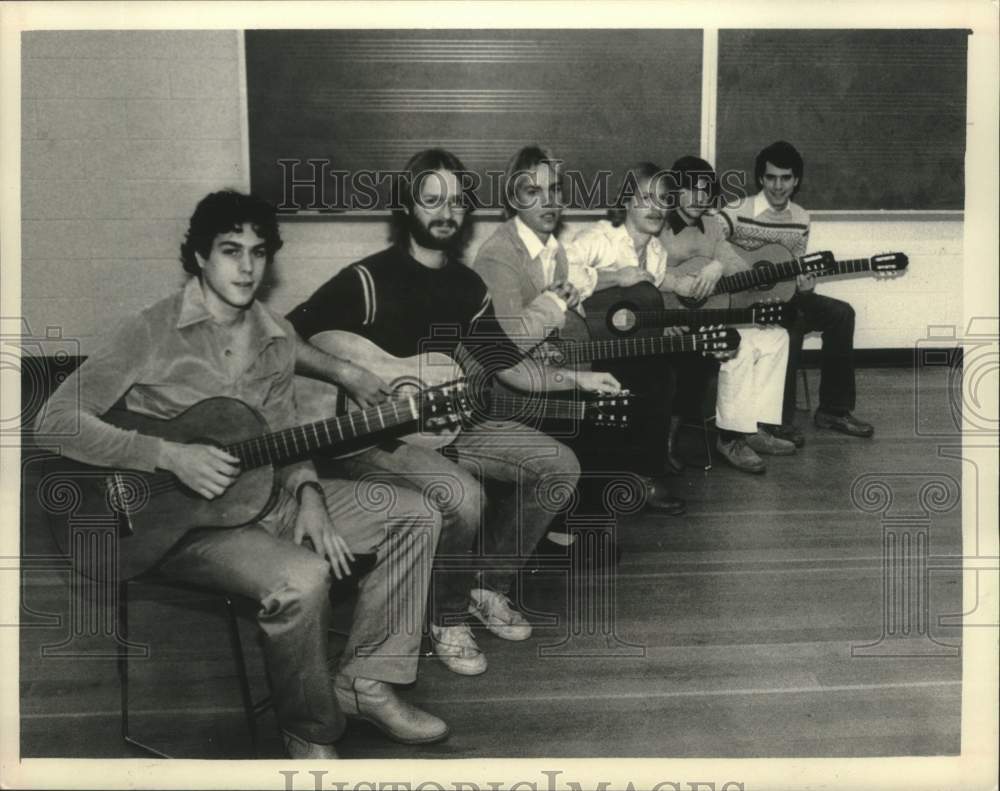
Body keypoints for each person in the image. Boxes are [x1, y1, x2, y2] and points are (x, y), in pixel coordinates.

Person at [35, 191, 447, 759]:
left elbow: (284, 433)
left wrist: (308, 492)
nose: (247, 267)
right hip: (177, 524)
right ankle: (308, 730)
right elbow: (52, 423)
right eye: (231, 251)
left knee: (417, 512)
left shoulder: (276, 337)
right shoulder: (149, 330)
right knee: (302, 581)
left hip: (267, 495)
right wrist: (166, 454)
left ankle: (367, 683)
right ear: (201, 257)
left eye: (258, 252)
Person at [288, 149, 619, 677]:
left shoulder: (467, 287)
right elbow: (282, 339)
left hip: (442, 425)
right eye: (431, 200)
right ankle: (445, 618)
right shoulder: (367, 281)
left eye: (456, 202)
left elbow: (506, 365)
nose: (445, 212)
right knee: (462, 496)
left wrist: (577, 380)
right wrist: (347, 374)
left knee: (559, 466)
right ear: (408, 207)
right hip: (366, 440)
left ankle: (485, 586)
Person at [474, 147, 684, 512]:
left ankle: (615, 488)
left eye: (555, 190)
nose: (549, 201)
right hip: (512, 391)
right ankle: (580, 508)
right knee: (613, 397)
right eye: (533, 192)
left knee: (649, 372)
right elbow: (510, 348)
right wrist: (559, 309)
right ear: (512, 198)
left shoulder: (552, 249)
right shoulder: (500, 254)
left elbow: (575, 303)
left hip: (555, 366)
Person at [718, 140, 874, 443]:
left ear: (796, 180)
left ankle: (834, 410)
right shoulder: (737, 210)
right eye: (771, 177)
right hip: (742, 300)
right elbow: (710, 241)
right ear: (761, 179)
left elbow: (795, 266)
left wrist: (805, 284)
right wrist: (743, 271)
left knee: (841, 313)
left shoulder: (801, 217)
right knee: (792, 325)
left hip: (784, 296)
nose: (778, 186)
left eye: (786, 178)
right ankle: (776, 420)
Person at [657, 156, 796, 474]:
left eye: (705, 191)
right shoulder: (658, 225)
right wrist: (667, 317)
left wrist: (719, 265)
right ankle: (729, 438)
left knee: (776, 336)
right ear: (675, 191)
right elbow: (649, 278)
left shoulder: (712, 226)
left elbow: (740, 268)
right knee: (739, 348)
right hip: (672, 322)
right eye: (690, 190)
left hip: (709, 317)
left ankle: (753, 428)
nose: (699, 198)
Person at [564, 160, 689, 480]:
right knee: (656, 376)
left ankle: (645, 474)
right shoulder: (599, 238)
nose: (656, 208)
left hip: (622, 347)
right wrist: (615, 277)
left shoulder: (658, 253)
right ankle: (632, 473)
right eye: (646, 198)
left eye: (663, 200)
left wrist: (662, 327)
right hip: (579, 346)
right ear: (627, 201)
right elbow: (558, 274)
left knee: (669, 369)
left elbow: (637, 312)